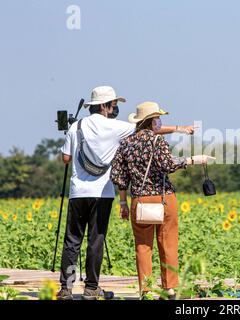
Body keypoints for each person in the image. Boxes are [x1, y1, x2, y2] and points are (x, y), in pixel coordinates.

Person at [57, 86, 195, 300]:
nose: (115, 109)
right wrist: (179, 128)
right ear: (104, 106)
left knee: (72, 240)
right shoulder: (115, 127)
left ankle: (66, 288)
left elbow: (65, 159)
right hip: (102, 192)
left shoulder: (77, 126)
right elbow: (146, 130)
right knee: (96, 240)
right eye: (113, 105)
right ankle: (91, 287)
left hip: (77, 192)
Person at [110, 101, 213, 300]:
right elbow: (167, 165)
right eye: (158, 118)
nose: (160, 121)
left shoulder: (126, 144)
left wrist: (123, 203)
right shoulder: (157, 142)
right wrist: (193, 160)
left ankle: (146, 291)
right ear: (151, 121)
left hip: (139, 200)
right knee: (168, 243)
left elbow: (119, 177)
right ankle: (170, 289)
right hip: (164, 198)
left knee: (142, 246)